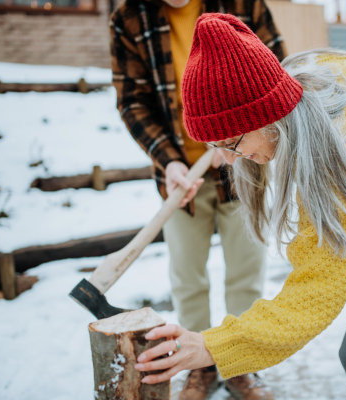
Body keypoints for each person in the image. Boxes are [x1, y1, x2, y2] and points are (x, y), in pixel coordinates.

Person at [133, 13, 346, 400]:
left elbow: (315, 292)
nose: (230, 161)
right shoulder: (293, 83)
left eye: (231, 144)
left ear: (265, 118)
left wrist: (215, 346)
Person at [110, 2, 286, 399]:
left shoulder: (243, 3)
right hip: (178, 175)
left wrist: (237, 137)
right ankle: (201, 364)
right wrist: (169, 160)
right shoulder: (128, 18)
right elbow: (132, 102)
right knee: (188, 278)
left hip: (247, 163)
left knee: (245, 272)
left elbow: (278, 67)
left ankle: (241, 362)